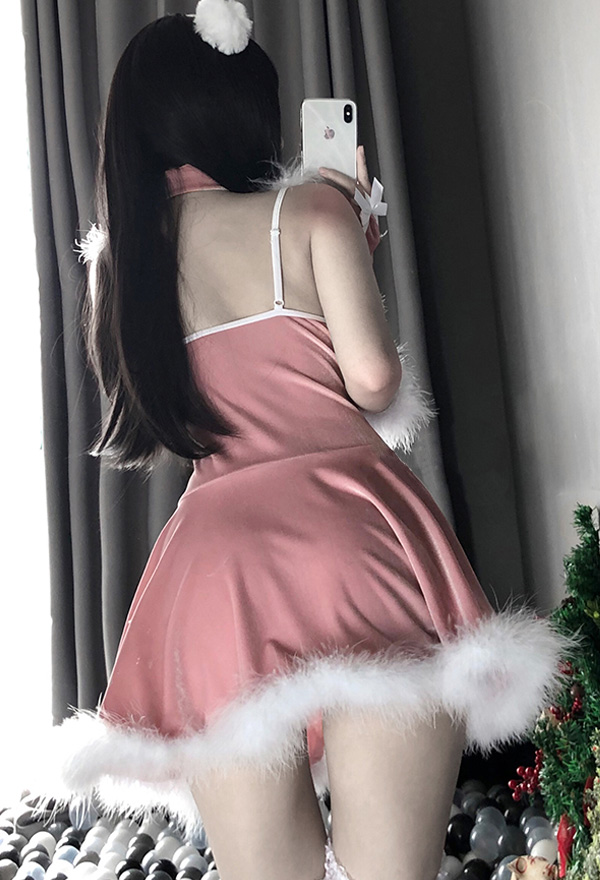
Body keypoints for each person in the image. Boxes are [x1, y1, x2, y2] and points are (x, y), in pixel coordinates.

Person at [25, 3, 581, 880]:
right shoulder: (314, 210)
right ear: (242, 112)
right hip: (351, 537)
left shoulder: (121, 268)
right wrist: (357, 249)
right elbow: (374, 382)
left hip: (216, 574)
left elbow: (168, 417)